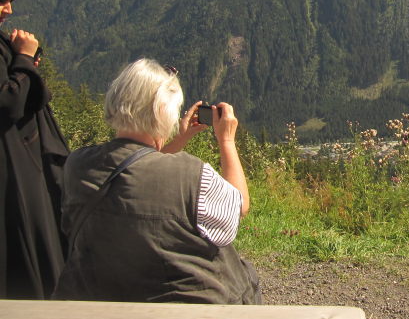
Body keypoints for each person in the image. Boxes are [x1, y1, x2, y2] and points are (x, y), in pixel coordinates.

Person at [53, 58, 261, 303]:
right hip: (185, 316)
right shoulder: (192, 175)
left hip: (99, 303)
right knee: (247, 274)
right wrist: (226, 141)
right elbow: (238, 206)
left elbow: (137, 171)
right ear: (165, 113)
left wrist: (179, 139)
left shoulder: (77, 164)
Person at [0, 0, 70, 299]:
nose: (8, 9)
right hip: (11, 167)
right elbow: (8, 103)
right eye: (3, 0)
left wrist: (23, 64)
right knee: (27, 233)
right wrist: (25, 59)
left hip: (18, 156)